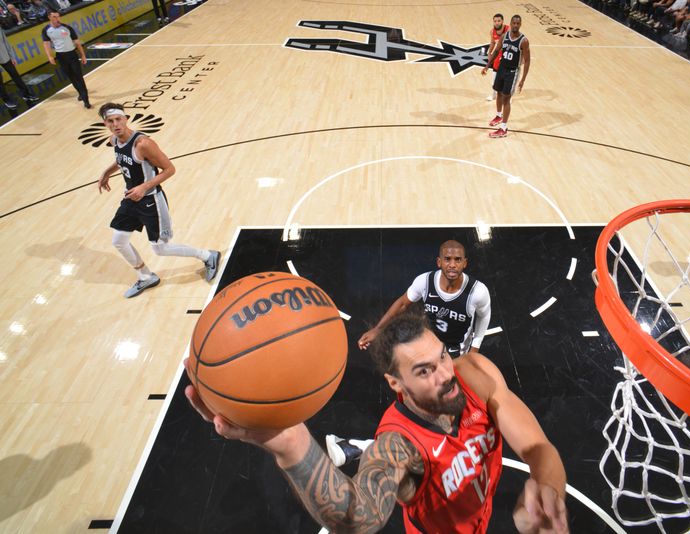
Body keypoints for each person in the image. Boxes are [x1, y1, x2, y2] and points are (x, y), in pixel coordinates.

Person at [186, 309, 569, 533]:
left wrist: (548, 487)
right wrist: (291, 444)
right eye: (423, 371)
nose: (444, 375)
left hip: (480, 520)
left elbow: (538, 448)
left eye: (442, 357)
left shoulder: (475, 374)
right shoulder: (398, 444)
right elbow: (359, 516)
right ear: (395, 383)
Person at [96, 102, 221, 298]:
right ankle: (146, 277)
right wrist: (106, 172)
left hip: (151, 200)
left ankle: (207, 256)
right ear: (105, 124)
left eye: (119, 119)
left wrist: (144, 187)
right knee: (119, 240)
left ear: (126, 119)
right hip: (131, 199)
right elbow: (121, 159)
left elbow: (170, 169)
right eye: (110, 121)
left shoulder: (143, 144)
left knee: (160, 248)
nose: (115, 124)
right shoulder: (114, 141)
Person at [358, 240, 491, 358]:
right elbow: (403, 303)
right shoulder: (425, 281)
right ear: (439, 262)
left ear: (465, 263)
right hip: (429, 343)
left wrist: (474, 352)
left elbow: (484, 317)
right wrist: (378, 329)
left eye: (457, 260)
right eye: (447, 259)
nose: (452, 265)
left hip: (459, 351)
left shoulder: (477, 291)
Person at [482, 14, 530, 139]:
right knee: (498, 92)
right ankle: (499, 115)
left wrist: (523, 79)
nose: (515, 25)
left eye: (517, 23)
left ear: (520, 25)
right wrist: (487, 65)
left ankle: (503, 128)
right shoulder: (504, 36)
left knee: (506, 98)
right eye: (513, 23)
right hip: (502, 68)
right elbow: (496, 51)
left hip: (512, 72)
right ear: (510, 23)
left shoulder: (523, 41)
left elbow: (528, 61)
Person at [41, 10, 90, 108]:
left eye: (58, 16)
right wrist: (50, 56)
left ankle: (86, 100)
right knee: (71, 77)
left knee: (79, 76)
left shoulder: (67, 28)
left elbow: (77, 42)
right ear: (49, 17)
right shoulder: (46, 30)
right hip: (61, 56)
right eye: (54, 17)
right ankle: (80, 92)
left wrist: (83, 55)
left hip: (72, 54)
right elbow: (46, 44)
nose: (57, 19)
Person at [0, 27, 39, 109]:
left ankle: (26, 94)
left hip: (4, 56)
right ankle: (6, 100)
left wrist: (12, 56)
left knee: (15, 75)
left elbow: (5, 42)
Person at [486, 13, 509, 101]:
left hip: (507, 56)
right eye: (495, 21)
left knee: (507, 79)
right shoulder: (492, 31)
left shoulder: (508, 30)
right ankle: (493, 95)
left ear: (502, 21)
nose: (497, 23)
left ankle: (508, 97)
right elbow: (492, 43)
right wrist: (489, 53)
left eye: (499, 21)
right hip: (498, 55)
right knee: (494, 78)